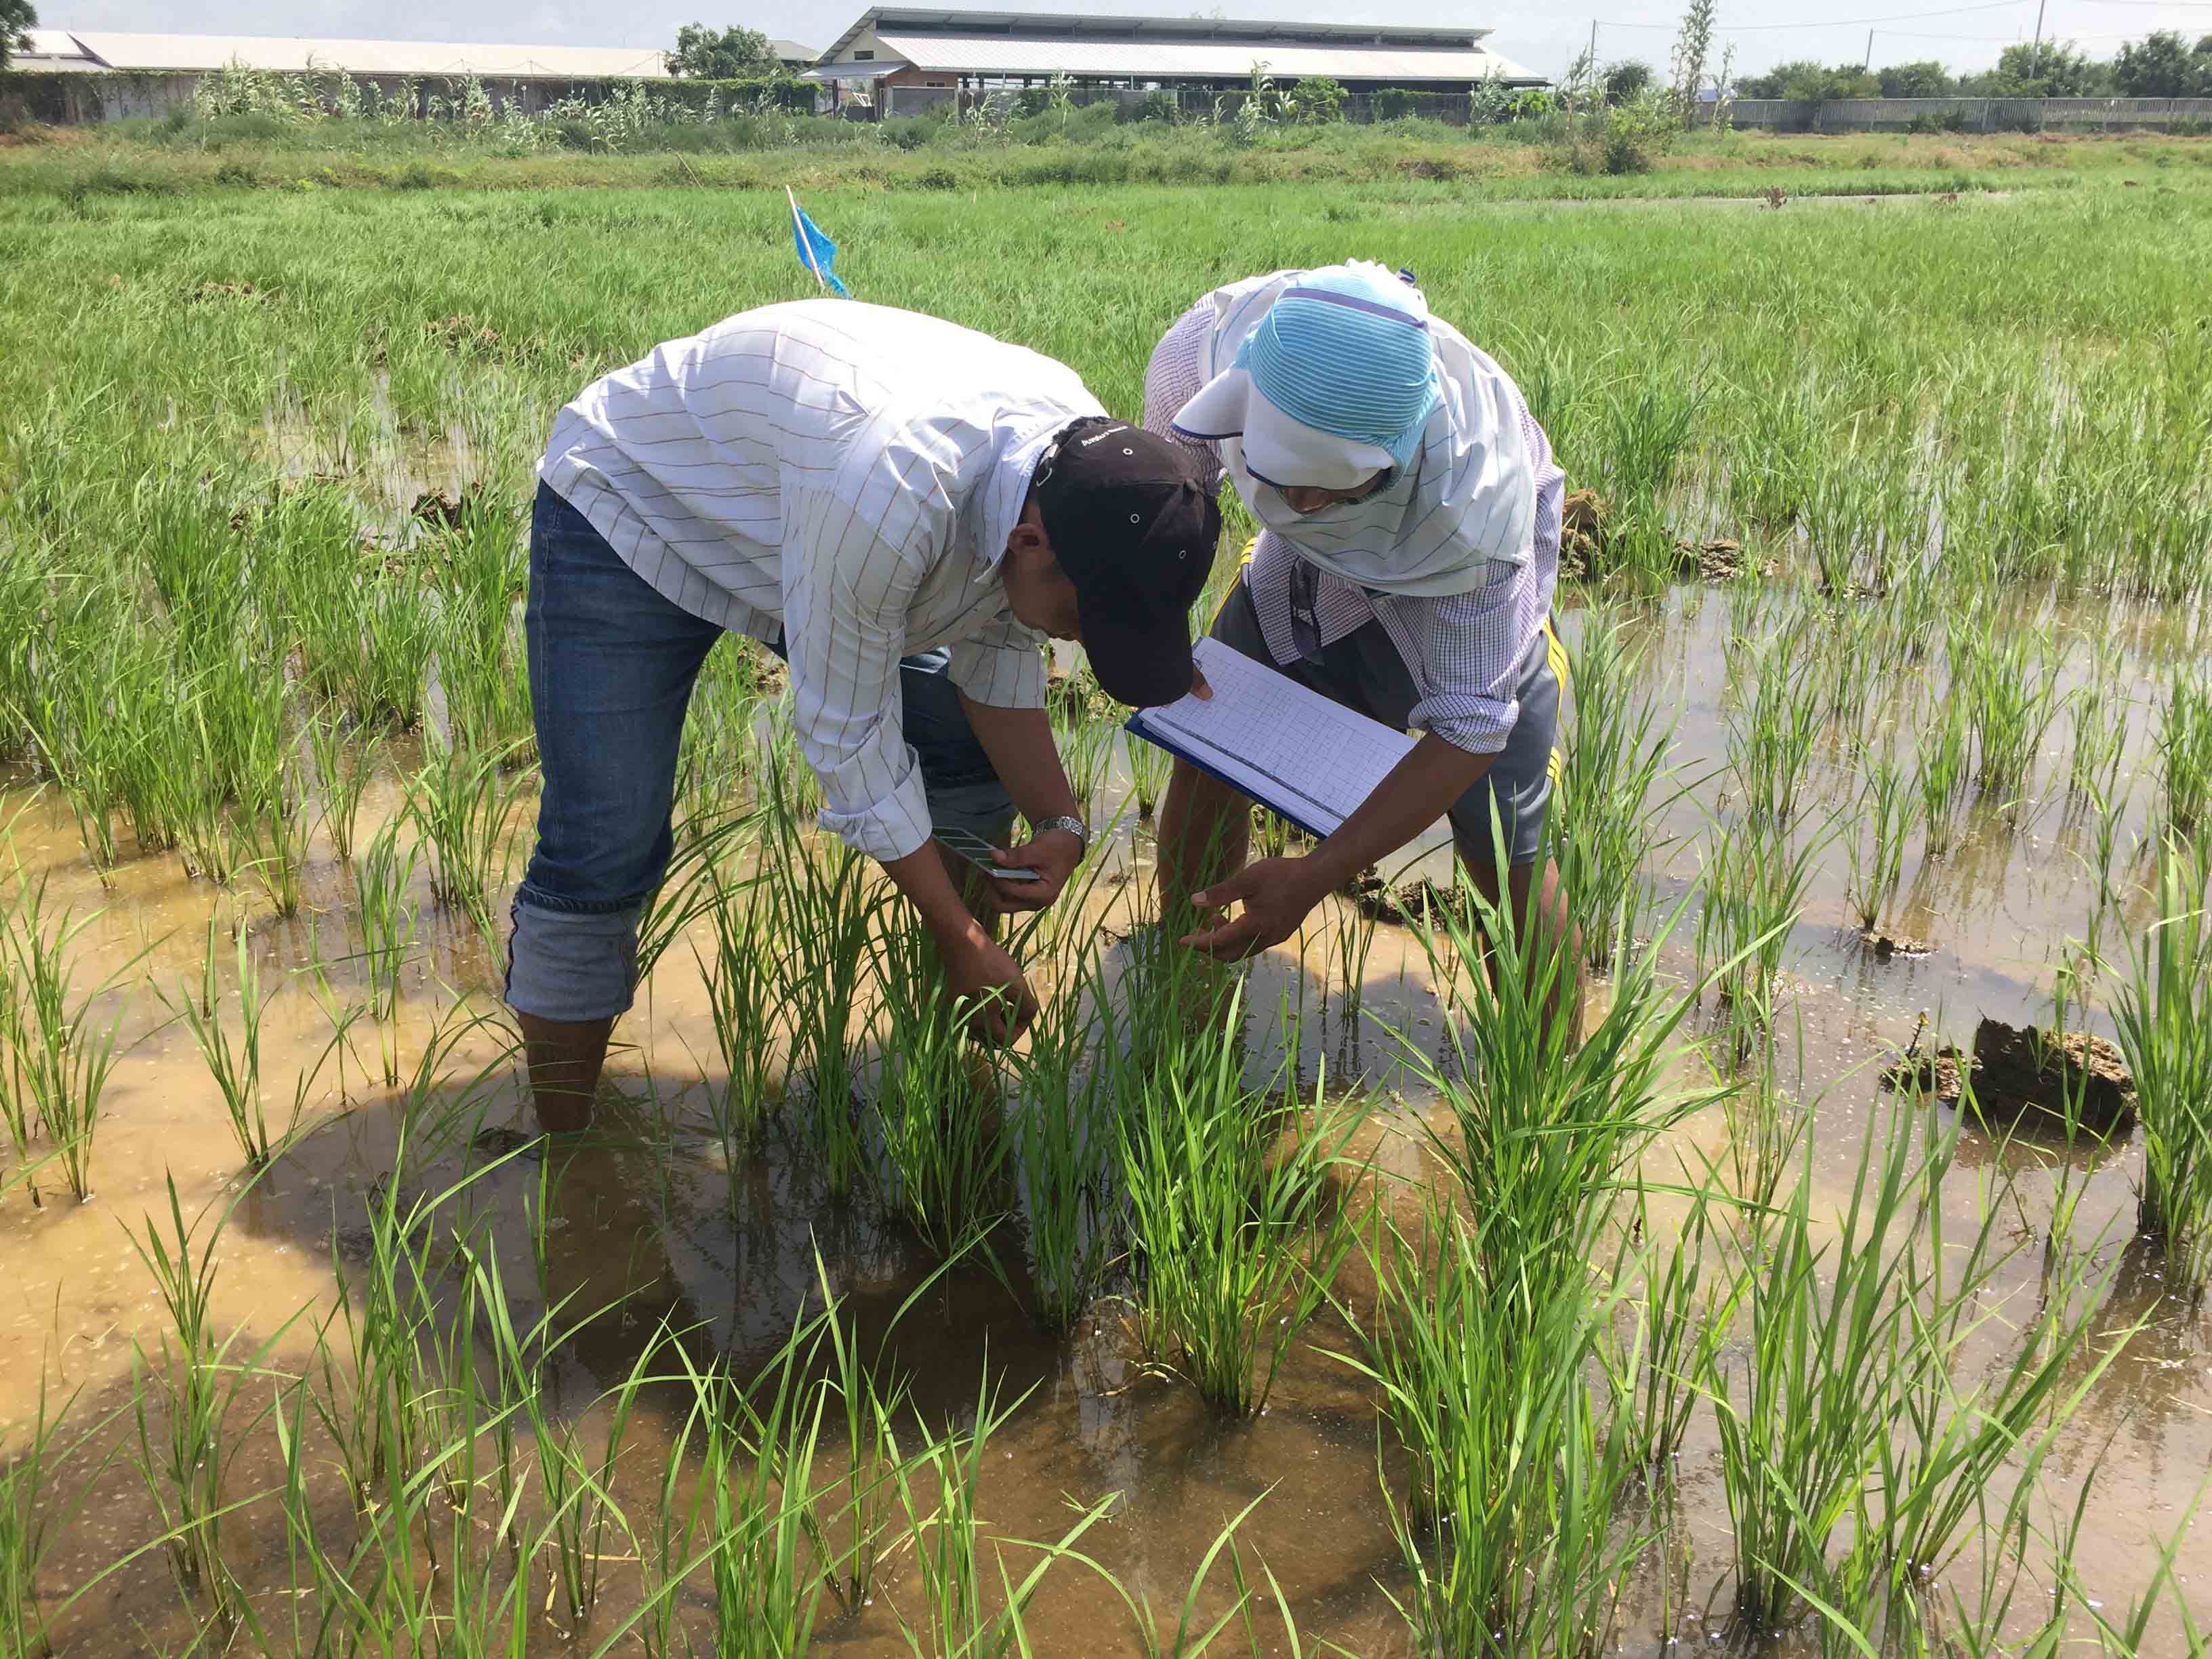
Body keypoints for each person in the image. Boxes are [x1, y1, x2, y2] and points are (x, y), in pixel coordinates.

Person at [511, 298, 1219, 1133]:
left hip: (796, 519)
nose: (1081, 640)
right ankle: (567, 1159)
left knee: (960, 747)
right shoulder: (893, 488)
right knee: (608, 837)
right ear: (1031, 545)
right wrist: (960, 936)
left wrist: (1059, 820)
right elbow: (847, 737)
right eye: (1086, 619)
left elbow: (995, 649)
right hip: (637, 501)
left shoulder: (1079, 468)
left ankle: (953, 1057)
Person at [1145, 262, 1578, 1011]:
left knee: (1502, 848)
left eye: (1331, 488)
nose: (1304, 503)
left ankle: (1551, 1098)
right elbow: (1174, 504)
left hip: (1453, 601)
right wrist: (1164, 633)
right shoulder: (1202, 355)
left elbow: (1470, 731)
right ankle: (1189, 991)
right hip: (1297, 583)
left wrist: (1315, 878)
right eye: (1283, 480)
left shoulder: (1478, 516)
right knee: (1211, 744)